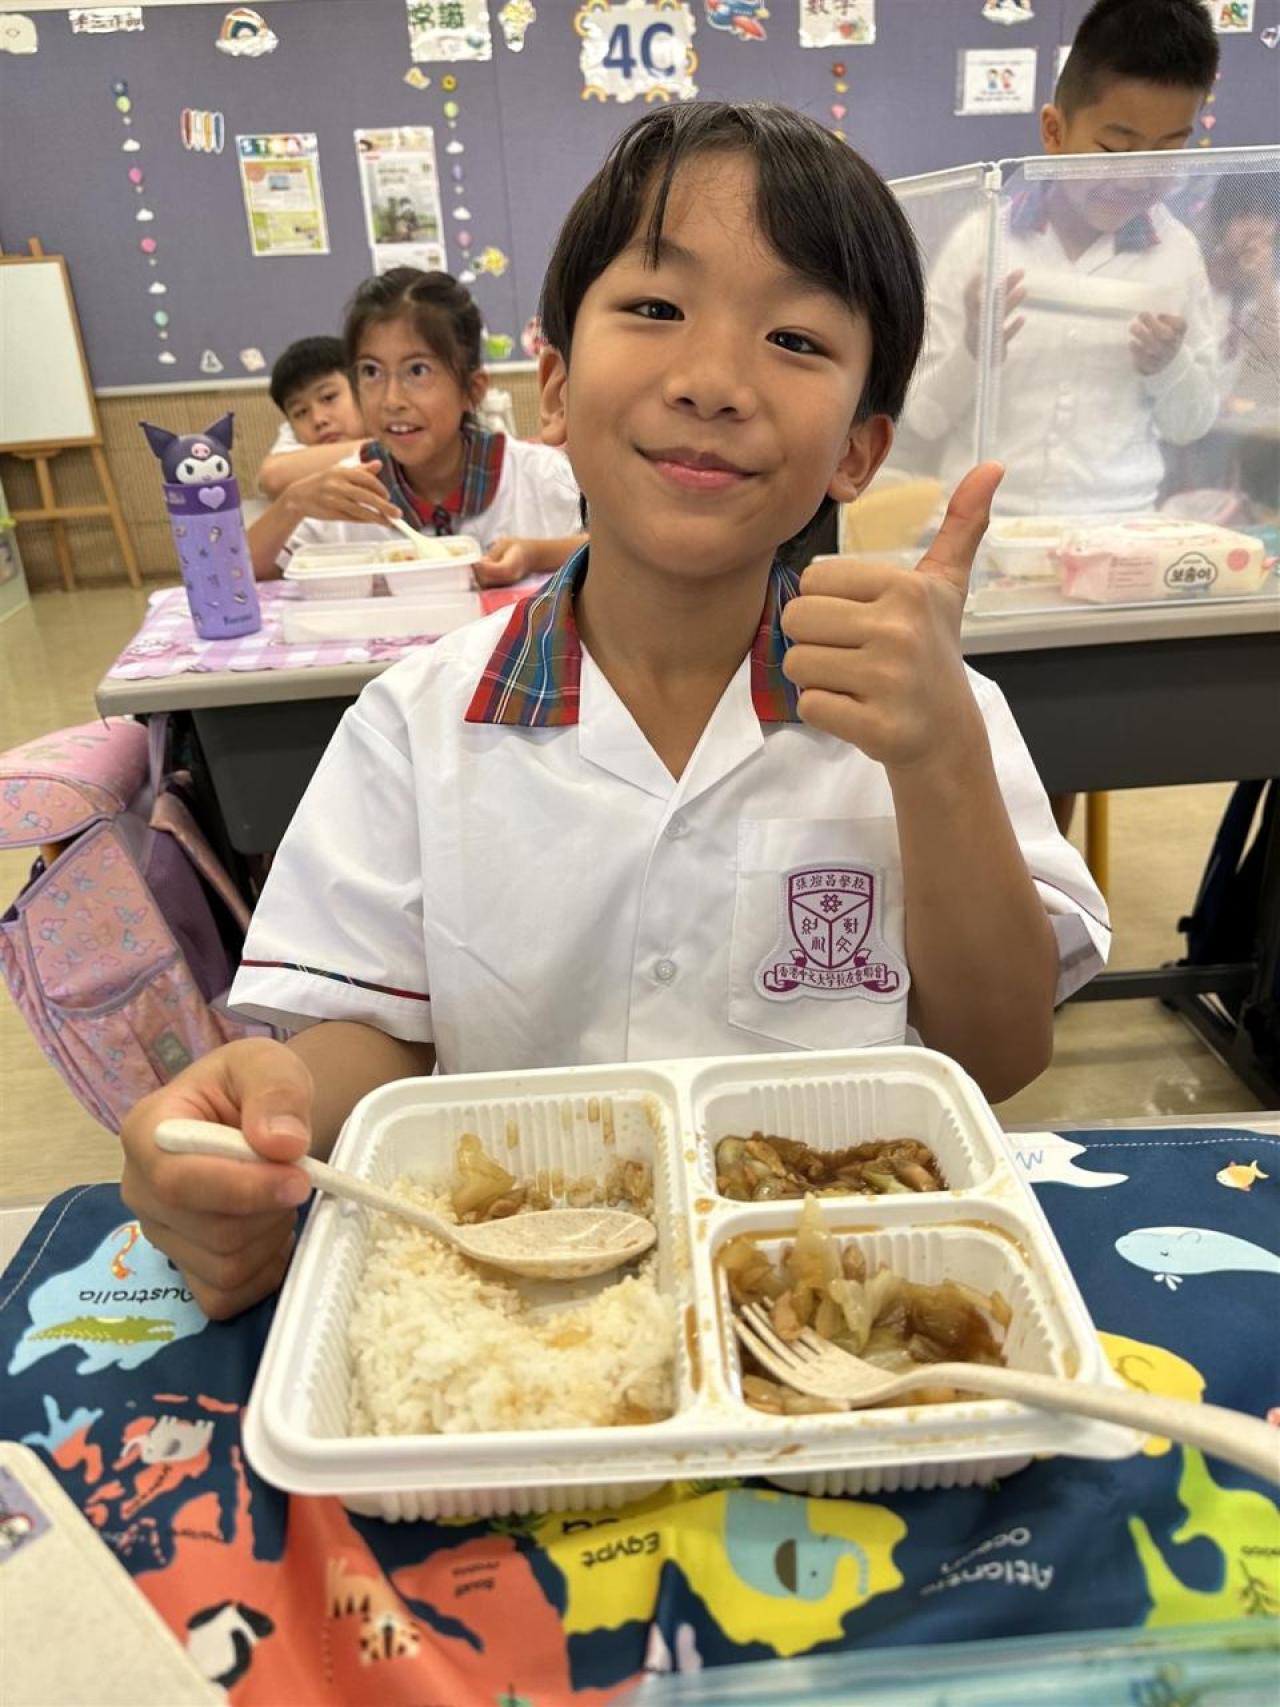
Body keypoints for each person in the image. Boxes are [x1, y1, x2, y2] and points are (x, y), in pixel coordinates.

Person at [120, 102, 1109, 1320]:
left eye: (794, 337)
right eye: (653, 308)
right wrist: (266, 1113)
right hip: (525, 1318)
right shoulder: (417, 723)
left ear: (857, 451)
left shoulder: (926, 713)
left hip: (838, 1312)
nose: (712, 382)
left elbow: (997, 1056)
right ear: (553, 383)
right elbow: (371, 1039)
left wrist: (937, 753)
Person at [905, 0, 1221, 520]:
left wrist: (1170, 366)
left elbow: (1192, 425)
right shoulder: (982, 241)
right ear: (1054, 132)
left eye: (1166, 153)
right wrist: (972, 350)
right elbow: (924, 417)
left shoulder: (1177, 254)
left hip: (1119, 528)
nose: (1138, 179)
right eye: (1114, 150)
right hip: (981, 526)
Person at [247, 269, 585, 588]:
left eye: (417, 370)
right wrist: (291, 504)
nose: (391, 400)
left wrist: (535, 554)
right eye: (371, 372)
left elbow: (608, 547)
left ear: (472, 389)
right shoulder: (349, 490)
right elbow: (243, 574)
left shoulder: (538, 476)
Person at [256, 336, 367, 500]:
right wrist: (378, 450)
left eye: (328, 397)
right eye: (301, 412)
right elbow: (273, 477)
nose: (318, 419)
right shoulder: (293, 438)